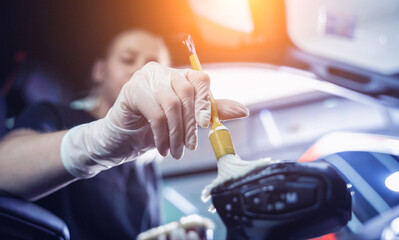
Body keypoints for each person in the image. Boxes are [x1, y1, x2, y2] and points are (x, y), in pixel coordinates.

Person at [0, 29, 249, 239]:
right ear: (100, 71)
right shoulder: (54, 115)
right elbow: (4, 169)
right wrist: (98, 141)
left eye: (153, 65)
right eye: (128, 59)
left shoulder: (147, 160)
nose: (140, 70)